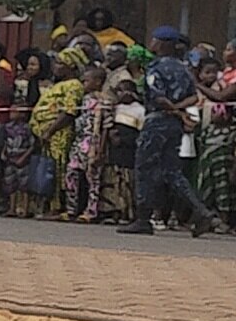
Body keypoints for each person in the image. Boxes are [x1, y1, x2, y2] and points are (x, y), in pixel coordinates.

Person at [120, 25, 213, 236]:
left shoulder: (156, 68)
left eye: (153, 40)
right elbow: (193, 97)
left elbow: (158, 97)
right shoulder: (183, 69)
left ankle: (143, 218)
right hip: (174, 126)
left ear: (161, 43)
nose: (151, 44)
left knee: (145, 167)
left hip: (156, 122)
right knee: (172, 171)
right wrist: (179, 111)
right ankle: (201, 211)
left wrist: (173, 111)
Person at [29, 47, 89, 213]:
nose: (56, 66)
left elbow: (69, 111)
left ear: (71, 66)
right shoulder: (60, 84)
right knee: (48, 168)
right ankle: (48, 205)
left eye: (61, 63)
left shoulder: (74, 85)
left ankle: (58, 206)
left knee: (57, 169)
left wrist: (50, 130)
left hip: (58, 134)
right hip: (48, 135)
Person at [193, 56, 236, 230]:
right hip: (208, 151)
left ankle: (225, 220)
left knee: (224, 187)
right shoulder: (224, 77)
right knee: (206, 184)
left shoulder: (230, 132)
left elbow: (221, 98)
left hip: (223, 155)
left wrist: (198, 85)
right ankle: (207, 218)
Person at [62, 66, 109, 221]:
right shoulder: (84, 99)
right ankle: (71, 208)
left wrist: (101, 148)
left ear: (98, 82)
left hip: (93, 143)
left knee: (92, 178)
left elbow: (106, 126)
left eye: (87, 81)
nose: (84, 84)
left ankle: (91, 211)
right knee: (71, 173)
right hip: (80, 141)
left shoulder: (105, 100)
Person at [101, 80, 142, 223]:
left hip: (128, 150)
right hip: (114, 150)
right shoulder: (116, 108)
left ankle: (127, 213)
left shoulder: (139, 110)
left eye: (123, 90)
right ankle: (113, 212)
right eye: (118, 90)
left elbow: (140, 134)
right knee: (113, 181)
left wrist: (123, 140)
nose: (120, 93)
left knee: (126, 182)